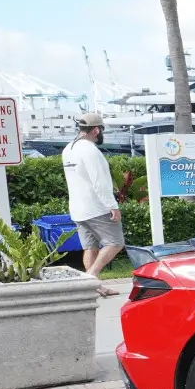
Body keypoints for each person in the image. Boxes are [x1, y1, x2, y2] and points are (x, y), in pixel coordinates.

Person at [62, 112, 124, 297]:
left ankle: (95, 287)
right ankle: (90, 277)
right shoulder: (90, 150)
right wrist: (112, 206)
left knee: (90, 247)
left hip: (77, 209)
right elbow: (100, 183)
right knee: (116, 242)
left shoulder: (68, 149)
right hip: (96, 208)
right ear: (96, 130)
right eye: (101, 130)